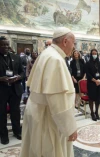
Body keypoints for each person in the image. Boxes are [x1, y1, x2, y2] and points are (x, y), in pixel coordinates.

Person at [20, 27, 77, 157]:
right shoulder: (55, 59)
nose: (74, 47)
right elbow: (58, 101)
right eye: (73, 43)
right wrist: (69, 128)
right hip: (47, 118)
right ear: (65, 41)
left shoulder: (47, 54)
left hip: (38, 111)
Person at [0, 36, 24, 145]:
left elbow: (23, 73)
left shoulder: (16, 57)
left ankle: (17, 131)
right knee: (2, 113)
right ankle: (4, 135)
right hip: (2, 90)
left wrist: (18, 77)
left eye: (6, 44)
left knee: (15, 112)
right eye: (3, 44)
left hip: (15, 89)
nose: (5, 46)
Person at [85, 49, 100, 121]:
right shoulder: (87, 63)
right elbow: (88, 74)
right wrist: (95, 80)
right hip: (91, 83)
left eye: (95, 53)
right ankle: (92, 113)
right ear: (91, 54)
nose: (94, 55)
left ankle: (96, 112)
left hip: (99, 83)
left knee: (98, 98)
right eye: (93, 53)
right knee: (91, 98)